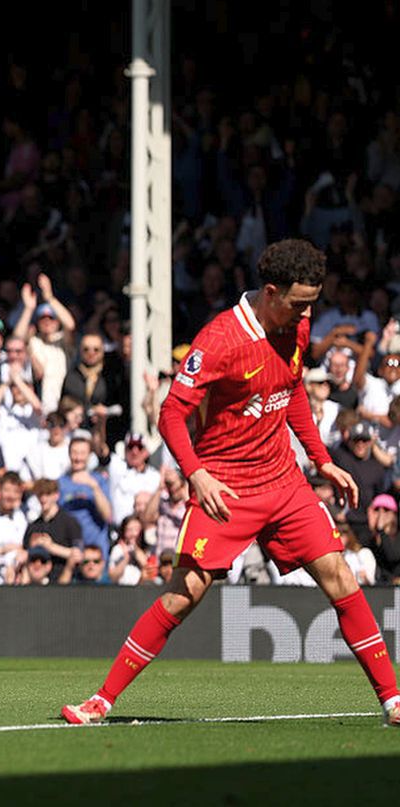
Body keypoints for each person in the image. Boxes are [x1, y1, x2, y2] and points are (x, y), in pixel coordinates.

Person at [61, 239, 400, 727]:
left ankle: (393, 700)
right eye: (300, 303)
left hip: (283, 482)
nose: (307, 313)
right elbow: (171, 414)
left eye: (312, 303)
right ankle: (101, 700)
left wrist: (321, 460)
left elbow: (291, 390)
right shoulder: (220, 341)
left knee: (341, 577)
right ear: (271, 292)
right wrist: (197, 474)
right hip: (225, 487)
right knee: (183, 594)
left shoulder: (296, 327)